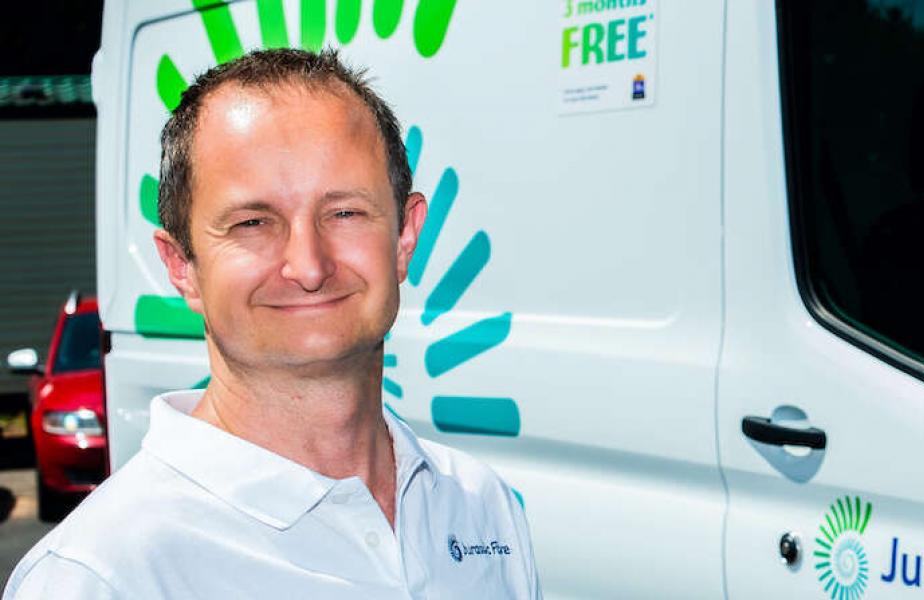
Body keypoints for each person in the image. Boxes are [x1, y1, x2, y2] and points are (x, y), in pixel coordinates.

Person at [3, 49, 541, 599]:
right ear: (181, 266)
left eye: (345, 213)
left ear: (405, 235)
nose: (308, 266)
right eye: (253, 223)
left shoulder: (481, 508)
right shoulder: (103, 576)